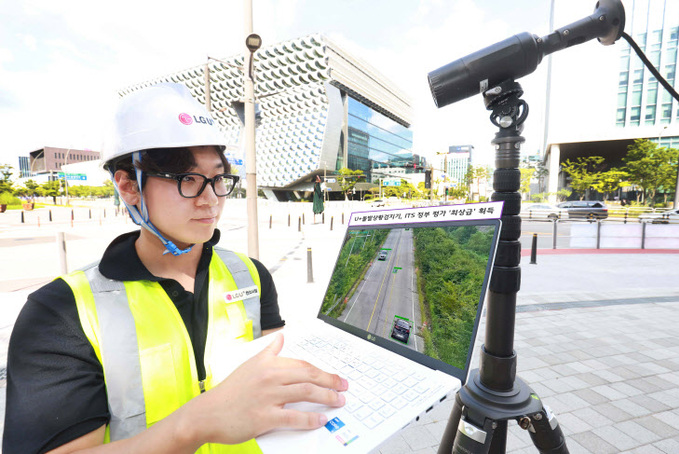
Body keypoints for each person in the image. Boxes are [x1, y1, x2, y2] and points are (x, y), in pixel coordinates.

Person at [3, 83, 348, 453]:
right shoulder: (60, 311)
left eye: (217, 178)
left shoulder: (252, 274)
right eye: (188, 179)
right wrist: (196, 424)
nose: (210, 199)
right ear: (129, 186)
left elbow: (279, 381)